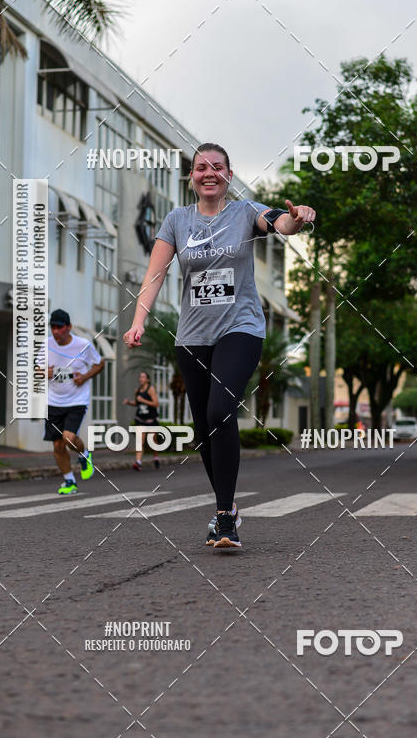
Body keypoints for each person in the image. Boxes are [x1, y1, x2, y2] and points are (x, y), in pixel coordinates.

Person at [123, 142, 315, 549]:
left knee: (219, 410)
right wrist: (138, 321)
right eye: (200, 167)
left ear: (229, 174)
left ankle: (225, 516)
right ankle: (224, 508)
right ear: (191, 176)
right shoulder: (177, 220)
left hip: (240, 329)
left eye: (217, 167)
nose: (209, 173)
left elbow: (278, 222)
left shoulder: (245, 212)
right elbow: (154, 276)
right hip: (192, 336)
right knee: (204, 429)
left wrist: (296, 220)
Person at [43, 309, 105, 494]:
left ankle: (85, 456)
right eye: (52, 327)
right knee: (57, 445)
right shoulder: (45, 345)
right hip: (53, 401)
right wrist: (42, 373)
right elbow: (37, 369)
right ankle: (69, 482)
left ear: (68, 327)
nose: (55, 331)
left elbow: (100, 363)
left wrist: (85, 377)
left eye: (59, 327)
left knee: (68, 438)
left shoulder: (83, 345)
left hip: (76, 400)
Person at [123, 371, 161, 470]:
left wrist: (143, 400)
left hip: (151, 418)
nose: (141, 378)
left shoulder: (151, 389)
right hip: (140, 418)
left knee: (152, 440)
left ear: (147, 379)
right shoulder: (137, 390)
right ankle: (138, 462)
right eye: (140, 377)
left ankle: (156, 457)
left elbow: (156, 404)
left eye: (143, 377)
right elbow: (136, 403)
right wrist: (129, 403)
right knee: (140, 441)